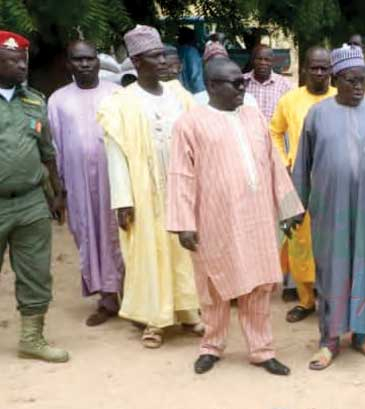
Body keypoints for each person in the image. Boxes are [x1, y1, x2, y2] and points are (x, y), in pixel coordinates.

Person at [167, 57, 302, 376]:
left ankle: (262, 349)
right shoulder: (189, 123)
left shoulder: (254, 117)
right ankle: (211, 346)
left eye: (243, 82)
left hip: (256, 218)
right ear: (212, 86)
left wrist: (287, 209)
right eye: (236, 83)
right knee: (213, 286)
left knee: (259, 285)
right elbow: (179, 175)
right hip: (213, 220)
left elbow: (274, 164)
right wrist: (184, 223)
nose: (243, 88)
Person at [291, 45, 365, 371]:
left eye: (363, 81)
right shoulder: (318, 115)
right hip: (330, 210)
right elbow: (302, 166)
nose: (359, 87)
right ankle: (329, 340)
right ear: (336, 79)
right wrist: (295, 209)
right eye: (351, 81)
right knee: (331, 271)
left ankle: (363, 336)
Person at [97, 25, 202, 348]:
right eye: (156, 56)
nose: (164, 60)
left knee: (182, 251)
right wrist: (122, 200)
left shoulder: (180, 96)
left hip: (180, 188)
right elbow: (115, 155)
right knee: (148, 253)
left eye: (163, 54)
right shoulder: (120, 103)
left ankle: (188, 311)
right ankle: (154, 321)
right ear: (138, 61)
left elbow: (198, 142)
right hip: (143, 192)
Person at [0, 30, 69, 363]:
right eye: (13, 60)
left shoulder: (34, 101)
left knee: (36, 271)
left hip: (31, 201)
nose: (21, 66)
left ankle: (32, 338)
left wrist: (58, 193)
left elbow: (48, 152)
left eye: (23, 59)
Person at [47, 41, 124, 327]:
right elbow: (53, 147)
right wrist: (59, 191)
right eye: (77, 60)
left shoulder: (116, 94)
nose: (85, 64)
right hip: (77, 183)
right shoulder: (57, 100)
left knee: (119, 233)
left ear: (97, 61)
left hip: (115, 180)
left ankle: (132, 298)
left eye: (89, 58)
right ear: (68, 63)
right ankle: (106, 299)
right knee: (88, 235)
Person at [269, 46, 337, 323]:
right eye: (314, 67)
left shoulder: (339, 98)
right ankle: (306, 301)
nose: (319, 73)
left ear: (331, 71)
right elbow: (274, 132)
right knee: (300, 243)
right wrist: (284, 161)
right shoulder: (290, 101)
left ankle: (331, 301)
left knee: (332, 243)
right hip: (297, 184)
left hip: (333, 184)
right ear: (305, 69)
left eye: (324, 68)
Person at [244, 45, 293, 121]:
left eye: (267, 60)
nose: (263, 63)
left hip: (274, 132)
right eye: (259, 59)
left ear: (272, 62)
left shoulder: (284, 84)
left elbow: (290, 113)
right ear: (252, 60)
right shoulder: (241, 81)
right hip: (247, 132)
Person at [177, 27, 204, 94]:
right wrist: (201, 94)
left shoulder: (179, 50)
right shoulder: (191, 51)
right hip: (193, 93)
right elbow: (195, 75)